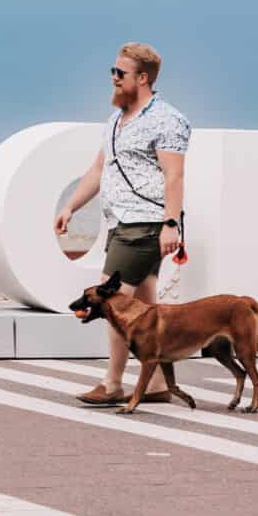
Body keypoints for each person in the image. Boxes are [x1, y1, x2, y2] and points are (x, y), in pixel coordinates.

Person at [53, 43, 191, 406]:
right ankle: (158, 383)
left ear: (142, 78)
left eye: (120, 73)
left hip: (144, 226)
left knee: (112, 304)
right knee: (144, 304)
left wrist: (171, 224)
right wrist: (71, 206)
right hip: (121, 224)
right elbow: (99, 170)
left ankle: (112, 383)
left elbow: (173, 175)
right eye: (111, 72)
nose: (113, 79)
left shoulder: (167, 120)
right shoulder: (115, 120)